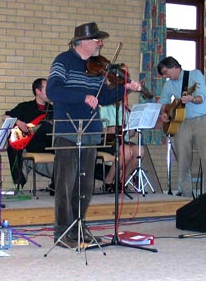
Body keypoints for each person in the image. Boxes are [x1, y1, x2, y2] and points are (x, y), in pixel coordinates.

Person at [46, 22, 142, 246]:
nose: (101, 44)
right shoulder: (63, 60)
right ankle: (62, 232)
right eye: (97, 40)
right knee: (66, 184)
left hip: (90, 131)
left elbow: (104, 98)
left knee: (85, 185)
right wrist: (82, 97)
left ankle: (79, 227)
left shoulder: (96, 66)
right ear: (83, 42)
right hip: (69, 130)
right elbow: (53, 90)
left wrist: (125, 88)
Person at [158, 56, 206, 197]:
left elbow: (202, 97)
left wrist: (192, 99)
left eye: (166, 72)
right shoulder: (169, 84)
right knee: (183, 162)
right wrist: (164, 113)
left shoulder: (195, 75)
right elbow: (163, 102)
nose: (166, 76)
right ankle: (185, 194)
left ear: (174, 66)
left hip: (201, 120)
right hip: (181, 122)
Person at [5, 78, 54, 193]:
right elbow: (5, 117)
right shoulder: (25, 107)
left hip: (49, 144)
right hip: (31, 144)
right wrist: (17, 122)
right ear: (38, 91)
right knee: (45, 126)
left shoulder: (54, 109)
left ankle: (57, 184)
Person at [98, 101, 139, 193]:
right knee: (127, 151)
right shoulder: (104, 107)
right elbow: (98, 130)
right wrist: (108, 129)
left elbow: (130, 135)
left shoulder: (124, 110)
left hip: (121, 141)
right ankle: (108, 180)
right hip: (107, 141)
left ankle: (122, 181)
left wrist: (134, 125)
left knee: (140, 151)